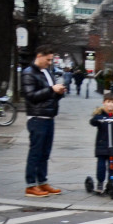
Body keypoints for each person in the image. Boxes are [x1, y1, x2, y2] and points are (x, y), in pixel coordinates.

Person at [21, 45, 67, 197]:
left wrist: (59, 92)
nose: (49, 62)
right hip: (37, 118)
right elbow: (31, 96)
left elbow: (49, 95)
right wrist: (51, 90)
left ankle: (42, 181)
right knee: (36, 152)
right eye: (48, 59)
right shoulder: (28, 73)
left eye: (51, 60)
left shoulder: (47, 72)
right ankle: (30, 185)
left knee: (45, 153)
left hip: (49, 117)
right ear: (39, 56)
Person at [86, 93, 113, 198]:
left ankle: (111, 184)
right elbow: (92, 122)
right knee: (101, 167)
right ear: (104, 103)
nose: (110, 104)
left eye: (112, 102)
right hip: (102, 146)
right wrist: (98, 119)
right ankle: (100, 183)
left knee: (112, 168)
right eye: (108, 102)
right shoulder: (100, 115)